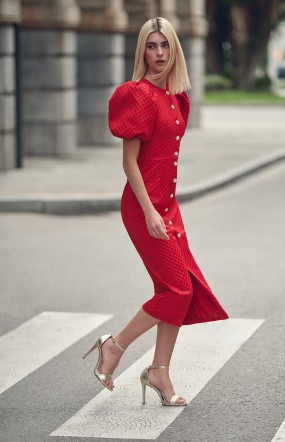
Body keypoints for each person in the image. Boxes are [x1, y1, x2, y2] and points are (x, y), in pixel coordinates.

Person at [83, 17, 228, 407]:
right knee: (177, 289)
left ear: (175, 49)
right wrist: (149, 211)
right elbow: (130, 164)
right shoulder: (137, 95)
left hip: (168, 205)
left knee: (180, 289)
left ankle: (159, 373)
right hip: (143, 206)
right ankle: (114, 347)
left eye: (165, 46)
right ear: (142, 50)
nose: (159, 54)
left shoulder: (175, 96)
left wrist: (162, 205)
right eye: (152, 46)